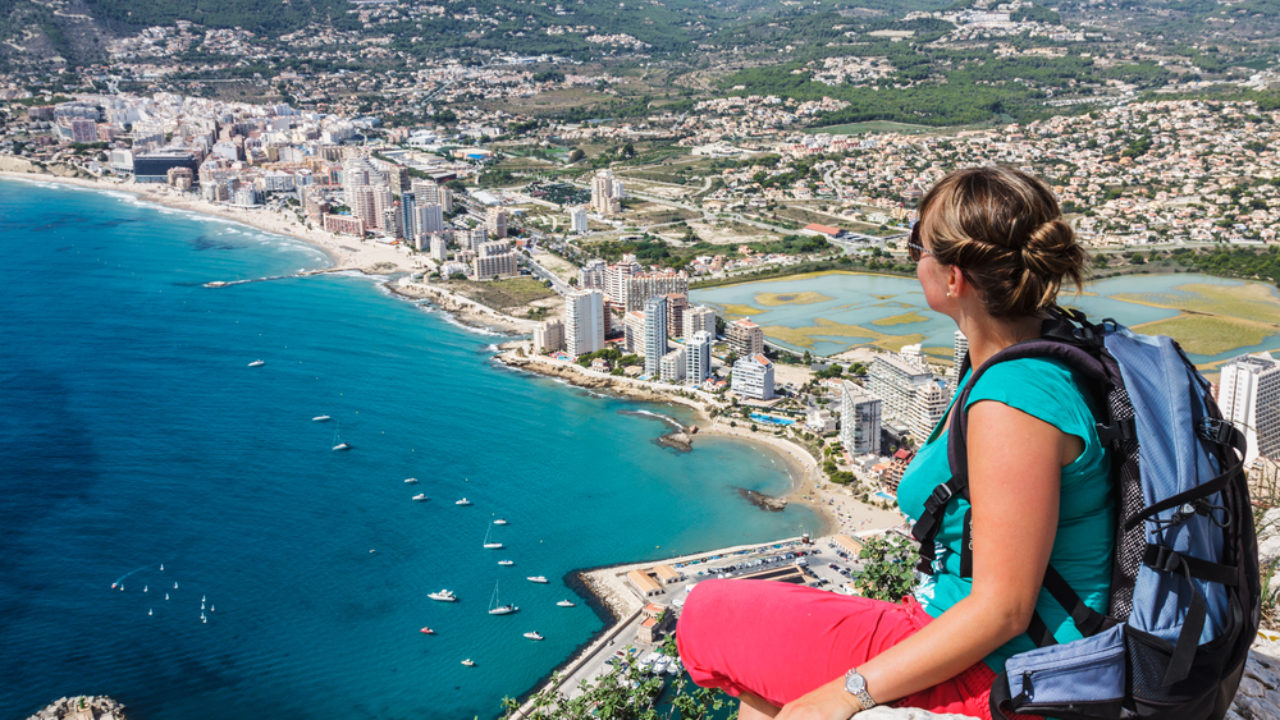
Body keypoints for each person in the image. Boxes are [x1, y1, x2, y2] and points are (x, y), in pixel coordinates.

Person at [676, 166, 1114, 720]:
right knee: (751, 635)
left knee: (707, 617)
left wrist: (846, 695)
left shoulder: (1015, 401)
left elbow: (1004, 610)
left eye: (916, 247)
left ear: (954, 278)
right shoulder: (1037, 349)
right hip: (970, 631)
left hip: (1006, 670)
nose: (912, 260)